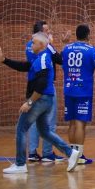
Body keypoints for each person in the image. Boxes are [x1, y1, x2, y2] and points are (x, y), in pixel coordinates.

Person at [0, 33, 81, 174]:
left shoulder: (43, 58)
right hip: (45, 100)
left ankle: (20, 164)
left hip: (40, 99)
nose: (31, 44)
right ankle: (70, 153)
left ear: (41, 45)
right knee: (44, 131)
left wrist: (29, 102)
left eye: (34, 42)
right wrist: (5, 60)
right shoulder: (39, 58)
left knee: (21, 128)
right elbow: (24, 66)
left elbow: (41, 83)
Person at [61, 24, 95, 165]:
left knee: (71, 123)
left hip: (69, 89)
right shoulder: (91, 50)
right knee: (80, 123)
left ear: (76, 35)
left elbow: (63, 63)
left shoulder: (66, 48)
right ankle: (79, 156)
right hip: (83, 91)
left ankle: (72, 155)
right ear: (88, 35)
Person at [25, 21, 65, 163]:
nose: (49, 33)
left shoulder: (29, 45)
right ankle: (47, 153)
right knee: (49, 120)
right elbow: (61, 59)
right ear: (41, 34)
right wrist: (58, 44)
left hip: (32, 86)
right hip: (45, 87)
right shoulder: (46, 45)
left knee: (35, 120)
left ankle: (32, 152)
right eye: (47, 31)